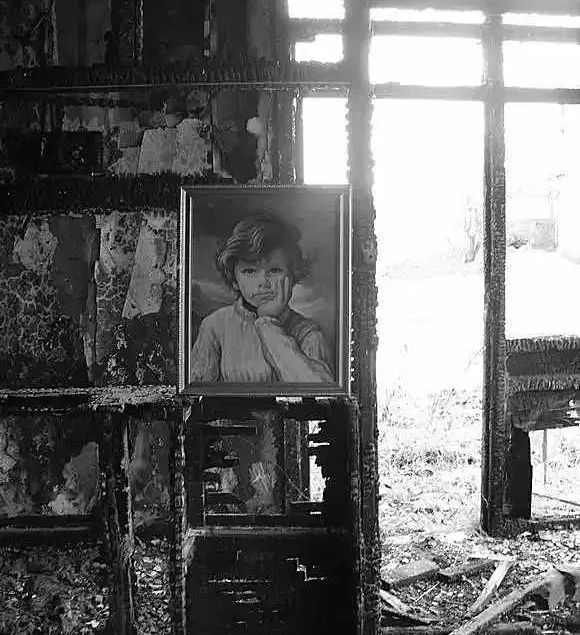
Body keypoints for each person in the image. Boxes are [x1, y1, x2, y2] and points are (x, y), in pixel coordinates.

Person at [189, 213, 333, 383]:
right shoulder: (215, 326)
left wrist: (268, 323)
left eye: (274, 270)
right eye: (249, 271)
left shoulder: (308, 333)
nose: (263, 282)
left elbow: (318, 389)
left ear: (292, 275)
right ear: (234, 280)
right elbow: (197, 388)